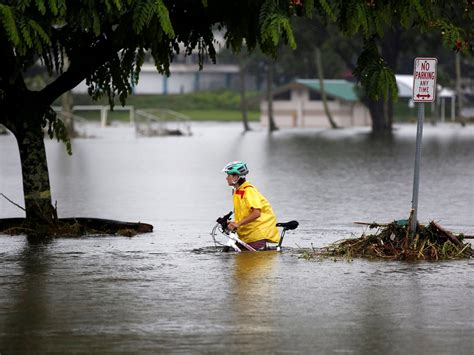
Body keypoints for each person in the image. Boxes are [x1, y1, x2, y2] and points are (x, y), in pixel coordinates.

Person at [222, 161, 280, 251]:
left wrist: (238, 224)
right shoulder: (238, 191)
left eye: (228, 175)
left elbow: (256, 213)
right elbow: (244, 214)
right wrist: (232, 223)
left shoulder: (249, 191)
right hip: (246, 235)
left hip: (256, 235)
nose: (226, 178)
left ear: (236, 177)